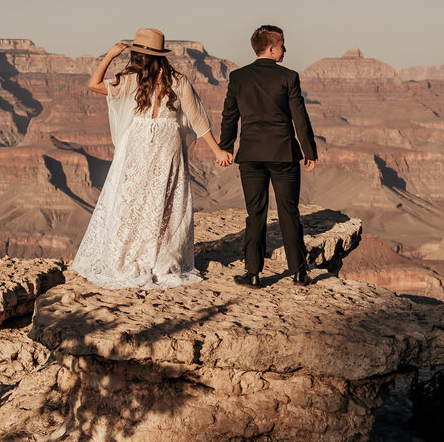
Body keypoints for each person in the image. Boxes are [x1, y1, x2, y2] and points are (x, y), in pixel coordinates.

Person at [71, 27, 234, 289]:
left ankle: (140, 257)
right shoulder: (169, 80)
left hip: (147, 146)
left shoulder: (141, 81)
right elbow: (197, 119)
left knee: (145, 202)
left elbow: (93, 83)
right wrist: (217, 151)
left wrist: (111, 55)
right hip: (156, 146)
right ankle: (152, 258)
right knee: (153, 201)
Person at [217, 24, 318, 287]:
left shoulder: (238, 77)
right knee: (289, 212)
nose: (285, 49)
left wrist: (225, 146)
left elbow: (230, 116)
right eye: (282, 44)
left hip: (250, 154)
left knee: (255, 214)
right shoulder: (289, 77)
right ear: (271, 48)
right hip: (283, 154)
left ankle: (253, 274)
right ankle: (299, 272)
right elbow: (300, 118)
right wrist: (309, 151)